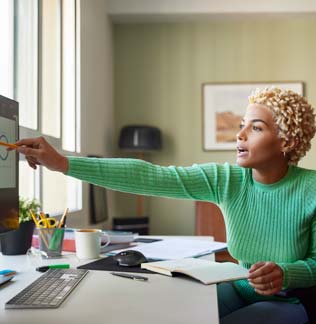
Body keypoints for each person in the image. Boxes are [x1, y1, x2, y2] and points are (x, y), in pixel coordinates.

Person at [14, 87, 316, 324]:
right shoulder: (228, 179)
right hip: (237, 286)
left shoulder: (310, 189)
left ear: (286, 141)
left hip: (288, 300)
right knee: (172, 314)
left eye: (256, 128)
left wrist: (286, 273)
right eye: (241, 125)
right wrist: (63, 163)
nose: (239, 135)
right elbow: (151, 176)